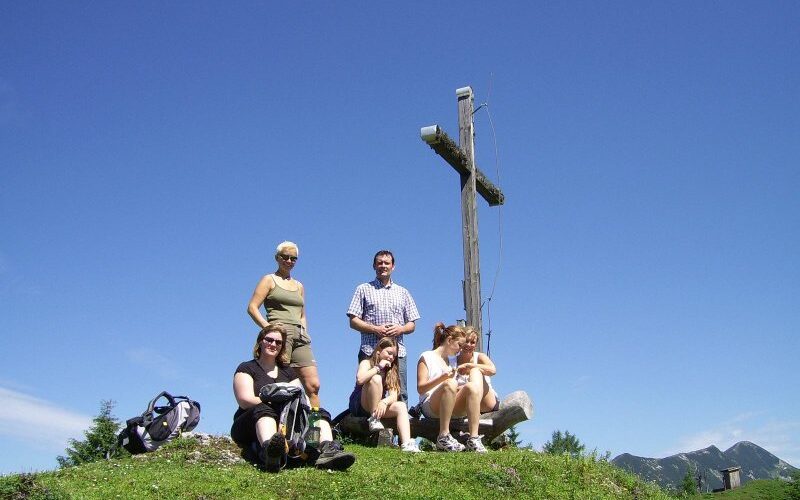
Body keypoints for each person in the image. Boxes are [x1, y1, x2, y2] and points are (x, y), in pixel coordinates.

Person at [231, 324, 355, 472]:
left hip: (286, 420)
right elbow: (244, 400)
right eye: (269, 340)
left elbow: (300, 396)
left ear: (282, 346)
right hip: (251, 420)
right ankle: (270, 451)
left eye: (278, 342)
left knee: (317, 413)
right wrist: (275, 402)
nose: (273, 344)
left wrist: (311, 413)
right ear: (260, 341)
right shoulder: (247, 368)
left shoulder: (288, 372)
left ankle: (327, 449)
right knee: (264, 409)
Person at [247, 241, 321, 408]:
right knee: (282, 382)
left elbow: (302, 313)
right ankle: (278, 424)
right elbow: (252, 307)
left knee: (313, 385)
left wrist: (305, 332)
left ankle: (316, 426)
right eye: (285, 257)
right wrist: (269, 329)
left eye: (293, 258)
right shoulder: (269, 280)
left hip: (300, 335)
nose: (289, 261)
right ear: (277, 258)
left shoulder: (299, 285)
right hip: (280, 332)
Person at [346, 249, 420, 404]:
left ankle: (400, 424)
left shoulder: (403, 292)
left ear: (393, 266)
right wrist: (375, 329)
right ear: (374, 266)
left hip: (397, 352)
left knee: (399, 390)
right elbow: (353, 321)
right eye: (379, 263)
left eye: (387, 263)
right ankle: (368, 423)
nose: (383, 266)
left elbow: (412, 324)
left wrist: (400, 329)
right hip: (370, 350)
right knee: (368, 386)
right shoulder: (363, 289)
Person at [416, 322, 487, 453]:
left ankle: (473, 438)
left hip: (448, 404)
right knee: (451, 383)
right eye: (459, 345)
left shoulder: (450, 361)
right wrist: (443, 378)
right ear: (449, 340)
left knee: (471, 387)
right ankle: (443, 437)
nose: (461, 349)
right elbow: (421, 388)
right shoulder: (427, 356)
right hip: (429, 405)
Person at [348, 337, 422, 453]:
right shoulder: (366, 362)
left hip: (377, 404)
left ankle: (406, 443)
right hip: (360, 403)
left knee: (401, 406)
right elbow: (360, 379)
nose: (391, 358)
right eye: (389, 353)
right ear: (379, 350)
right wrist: (378, 367)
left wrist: (384, 402)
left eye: (394, 355)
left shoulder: (391, 371)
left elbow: (393, 395)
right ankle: (374, 419)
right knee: (376, 379)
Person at [456, 326, 499, 413]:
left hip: (485, 401)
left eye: (472, 342)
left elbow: (493, 370)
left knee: (475, 371)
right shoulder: (452, 360)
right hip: (463, 403)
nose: (468, 345)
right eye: (466, 341)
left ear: (475, 345)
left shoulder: (480, 357)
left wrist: (469, 366)